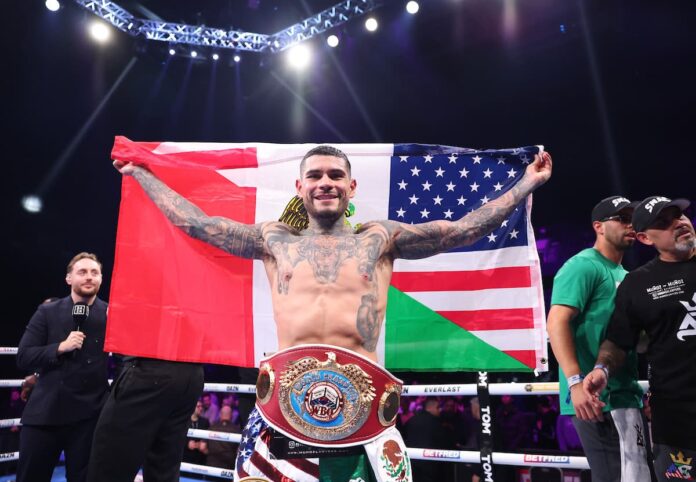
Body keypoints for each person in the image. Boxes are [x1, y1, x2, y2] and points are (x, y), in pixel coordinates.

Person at [113, 145, 552, 481]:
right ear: (300, 187)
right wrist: (140, 174)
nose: (326, 182)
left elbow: (460, 231)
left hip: (365, 417)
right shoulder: (273, 240)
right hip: (282, 413)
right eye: (316, 175)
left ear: (352, 186)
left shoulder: (380, 239)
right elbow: (196, 223)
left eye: (336, 175)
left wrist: (526, 184)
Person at [584, 196, 696, 482]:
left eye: (679, 215)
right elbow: (619, 339)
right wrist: (602, 369)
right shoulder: (638, 283)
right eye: (664, 222)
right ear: (645, 238)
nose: (679, 223)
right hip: (678, 418)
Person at [547, 196, 652, 482]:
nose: (630, 224)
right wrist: (575, 384)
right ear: (599, 226)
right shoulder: (583, 266)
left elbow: (636, 342)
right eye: (621, 218)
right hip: (595, 400)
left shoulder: (626, 275)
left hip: (624, 393)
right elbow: (556, 322)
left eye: (633, 218)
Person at [16, 252, 109, 482]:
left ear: (101, 279)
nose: (89, 277)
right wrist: (60, 347)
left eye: (94, 272)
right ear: (69, 278)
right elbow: (24, 356)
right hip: (45, 416)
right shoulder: (47, 312)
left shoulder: (111, 314)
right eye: (82, 272)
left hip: (89, 419)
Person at [404, 398, 447, 482]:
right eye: (438, 407)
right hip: (430, 465)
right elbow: (442, 441)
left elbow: (404, 437)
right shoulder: (435, 422)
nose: (440, 410)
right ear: (430, 408)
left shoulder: (411, 420)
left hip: (412, 463)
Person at [206, 405, 241, 470]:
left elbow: (203, 447)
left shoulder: (212, 427)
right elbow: (239, 451)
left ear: (220, 414)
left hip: (211, 465)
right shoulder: (236, 430)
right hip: (228, 467)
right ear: (231, 415)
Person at [182, 400, 210, 466]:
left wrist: (200, 444)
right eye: (198, 406)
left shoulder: (205, 422)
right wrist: (187, 444)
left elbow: (206, 439)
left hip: (199, 458)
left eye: (201, 406)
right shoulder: (184, 421)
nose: (201, 408)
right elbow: (178, 438)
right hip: (185, 457)